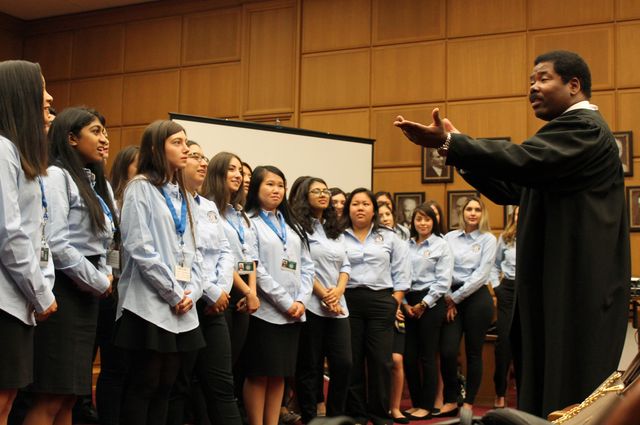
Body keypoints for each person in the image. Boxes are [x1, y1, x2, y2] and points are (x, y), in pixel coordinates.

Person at [395, 50, 631, 416]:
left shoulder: (583, 128)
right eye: (530, 82)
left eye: (543, 78)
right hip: (557, 282)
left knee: (570, 382)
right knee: (545, 376)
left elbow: (523, 159)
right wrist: (450, 146)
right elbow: (511, 187)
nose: (533, 88)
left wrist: (454, 143)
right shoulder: (564, 137)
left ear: (574, 85)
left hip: (577, 284)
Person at [25, 107, 116, 425]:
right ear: (71, 138)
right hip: (64, 289)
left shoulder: (92, 181)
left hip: (87, 292)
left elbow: (104, 241)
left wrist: (104, 272)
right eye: (96, 131)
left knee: (68, 399)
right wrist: (99, 280)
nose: (104, 139)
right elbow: (58, 244)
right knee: (50, 397)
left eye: (105, 132)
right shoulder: (57, 176)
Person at [114, 120, 204, 425]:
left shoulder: (182, 194)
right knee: (146, 383)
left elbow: (193, 251)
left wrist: (193, 291)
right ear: (156, 147)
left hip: (181, 304)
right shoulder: (140, 187)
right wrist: (173, 292)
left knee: (168, 384)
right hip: (149, 304)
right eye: (177, 142)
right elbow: (139, 246)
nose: (186, 149)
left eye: (186, 142)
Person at [167, 141, 241, 425]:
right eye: (194, 156)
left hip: (214, 306)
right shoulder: (169, 202)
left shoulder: (209, 206)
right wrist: (209, 292)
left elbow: (225, 251)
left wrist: (221, 290)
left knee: (222, 385)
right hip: (184, 303)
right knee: (179, 384)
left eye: (204, 158)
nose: (202, 163)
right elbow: (187, 253)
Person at [0, 59, 57, 425]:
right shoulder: (3, 149)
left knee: (6, 400)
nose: (50, 99)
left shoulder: (16, 152)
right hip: (5, 300)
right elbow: (10, 233)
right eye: (42, 91)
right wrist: (42, 293)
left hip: (15, 300)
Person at [243, 165, 314, 425]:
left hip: (294, 312)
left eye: (280, 185)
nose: (276, 190)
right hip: (265, 311)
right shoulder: (249, 221)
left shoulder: (292, 224)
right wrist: (285, 302)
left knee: (280, 375)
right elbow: (253, 267)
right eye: (270, 184)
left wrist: (301, 301)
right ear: (256, 188)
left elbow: (308, 265)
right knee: (259, 374)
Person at [342, 188, 411, 425]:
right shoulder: (338, 236)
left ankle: (380, 414)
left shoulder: (390, 237)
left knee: (381, 360)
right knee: (353, 360)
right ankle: (357, 415)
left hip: (382, 301)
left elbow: (402, 274)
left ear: (374, 210)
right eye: (355, 204)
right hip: (348, 301)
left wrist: (394, 301)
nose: (360, 208)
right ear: (348, 208)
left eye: (365, 204)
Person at [291, 177, 352, 424]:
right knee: (309, 366)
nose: (322, 194)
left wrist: (338, 291)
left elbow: (345, 264)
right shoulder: (297, 227)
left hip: (339, 306)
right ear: (304, 196)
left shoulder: (334, 228)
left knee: (344, 363)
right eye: (316, 191)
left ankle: (336, 418)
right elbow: (302, 265)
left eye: (325, 190)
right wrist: (324, 294)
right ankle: (310, 417)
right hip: (313, 304)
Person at [437, 197, 496, 417]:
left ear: (483, 214)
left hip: (476, 299)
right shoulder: (450, 237)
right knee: (448, 350)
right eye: (468, 209)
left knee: (473, 353)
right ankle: (451, 398)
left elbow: (481, 275)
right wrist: (448, 296)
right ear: (462, 213)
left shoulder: (488, 239)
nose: (472, 213)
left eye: (477, 210)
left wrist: (456, 298)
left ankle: (469, 402)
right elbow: (442, 267)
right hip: (451, 295)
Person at [401, 204, 452, 421]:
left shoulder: (442, 245)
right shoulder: (406, 245)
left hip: (431, 303)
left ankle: (427, 405)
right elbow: (398, 275)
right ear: (413, 222)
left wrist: (423, 304)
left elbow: (443, 281)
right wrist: (404, 303)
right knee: (409, 357)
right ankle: (416, 403)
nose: (423, 223)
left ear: (434, 222)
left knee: (428, 356)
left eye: (427, 219)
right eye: (419, 219)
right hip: (408, 301)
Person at [490, 206, 518, 409]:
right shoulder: (506, 238)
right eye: (518, 213)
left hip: (529, 291)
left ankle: (525, 393)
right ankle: (500, 393)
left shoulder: (538, 235)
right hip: (507, 289)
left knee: (527, 341)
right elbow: (494, 265)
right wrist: (497, 287)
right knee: (504, 341)